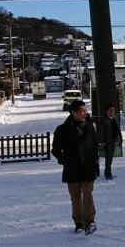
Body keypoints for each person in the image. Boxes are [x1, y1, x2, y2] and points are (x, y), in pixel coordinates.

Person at [52, 99, 100, 234]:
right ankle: (78, 222)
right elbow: (55, 150)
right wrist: (64, 161)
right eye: (82, 111)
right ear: (73, 113)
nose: (85, 113)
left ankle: (90, 221)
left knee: (88, 194)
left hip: (88, 168)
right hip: (72, 169)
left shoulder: (90, 126)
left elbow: (95, 144)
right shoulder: (62, 130)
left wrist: (94, 159)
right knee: (76, 198)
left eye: (86, 110)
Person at [96, 103, 122, 180]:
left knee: (110, 158)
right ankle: (108, 174)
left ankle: (107, 173)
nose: (112, 112)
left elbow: (117, 129)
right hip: (107, 142)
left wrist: (120, 139)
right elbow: (100, 132)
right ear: (106, 111)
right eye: (110, 110)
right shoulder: (103, 120)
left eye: (113, 110)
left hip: (113, 141)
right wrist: (102, 142)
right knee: (108, 159)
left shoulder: (114, 118)